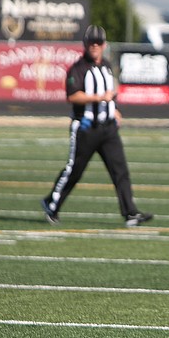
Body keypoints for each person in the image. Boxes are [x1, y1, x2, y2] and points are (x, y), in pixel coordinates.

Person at [41, 24, 153, 228]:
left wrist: (114, 109)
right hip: (85, 128)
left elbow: (110, 93)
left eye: (98, 43)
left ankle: (130, 213)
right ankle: (52, 203)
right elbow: (72, 95)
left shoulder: (107, 66)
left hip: (108, 128)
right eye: (91, 43)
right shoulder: (78, 68)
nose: (94, 46)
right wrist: (99, 98)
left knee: (120, 170)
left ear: (104, 45)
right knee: (74, 170)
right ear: (85, 45)